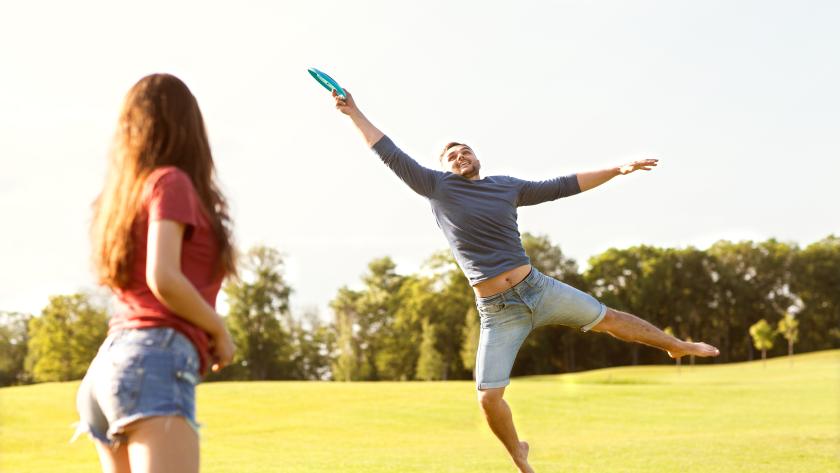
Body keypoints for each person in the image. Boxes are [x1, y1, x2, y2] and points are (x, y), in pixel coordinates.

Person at [332, 89, 720, 473]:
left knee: (611, 319)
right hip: (498, 312)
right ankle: (518, 453)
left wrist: (618, 169)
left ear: (476, 157)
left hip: (539, 289)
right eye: (451, 155)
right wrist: (354, 112)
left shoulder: (507, 187)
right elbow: (388, 151)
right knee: (488, 399)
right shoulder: (437, 187)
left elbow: (563, 185)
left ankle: (676, 346)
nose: (459, 156)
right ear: (444, 167)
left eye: (464, 150)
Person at [75, 73, 237, 473]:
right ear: (188, 127)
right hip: (154, 360)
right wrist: (217, 328)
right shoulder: (171, 182)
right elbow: (162, 277)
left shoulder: (125, 195)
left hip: (109, 369)